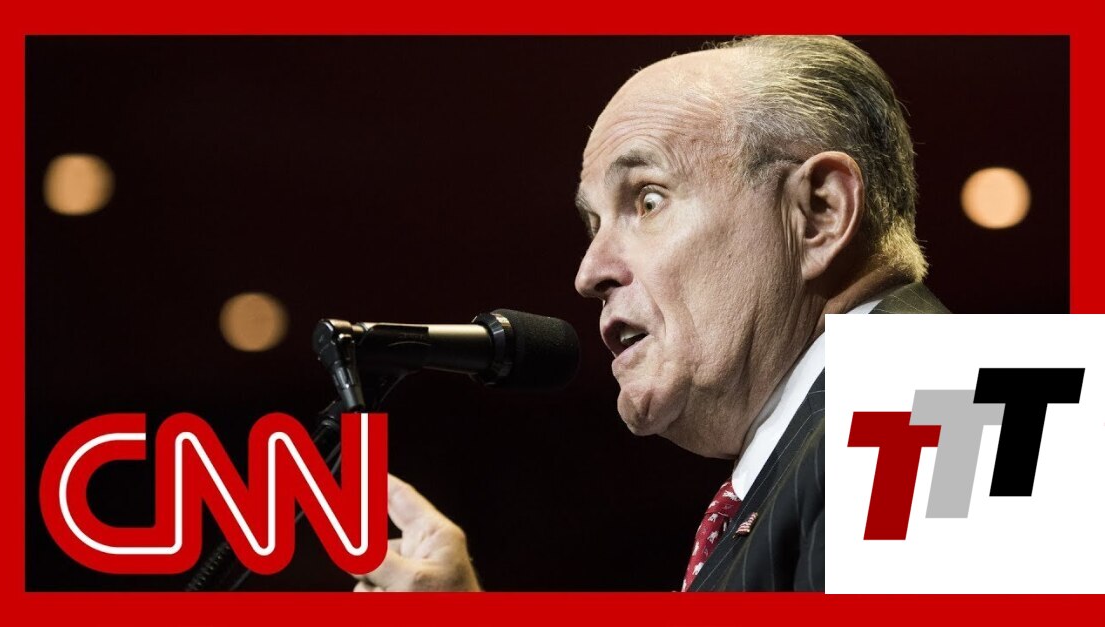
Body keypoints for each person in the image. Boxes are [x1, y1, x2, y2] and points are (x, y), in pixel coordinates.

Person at [351, 35, 947, 593]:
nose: (589, 272)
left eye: (647, 199)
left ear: (818, 213)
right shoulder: (852, 434)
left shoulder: (932, 405)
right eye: (593, 224)